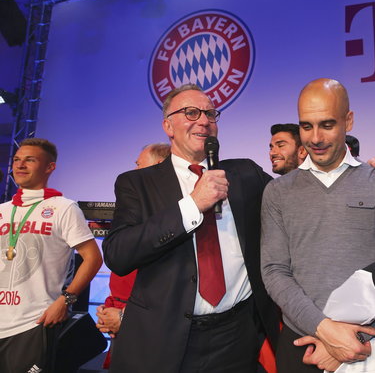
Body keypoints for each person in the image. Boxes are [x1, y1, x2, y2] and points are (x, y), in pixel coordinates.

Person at [102, 84, 279, 372]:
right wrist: (193, 205)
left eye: (210, 113)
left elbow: (292, 201)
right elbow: (118, 254)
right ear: (168, 126)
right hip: (161, 341)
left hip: (236, 338)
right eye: (191, 112)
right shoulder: (137, 183)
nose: (204, 120)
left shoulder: (245, 173)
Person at [261, 78, 375, 372]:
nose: (315, 137)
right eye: (306, 126)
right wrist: (324, 330)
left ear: (349, 120)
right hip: (302, 348)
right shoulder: (278, 192)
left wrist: (347, 339)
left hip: (369, 345)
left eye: (327, 124)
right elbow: (274, 271)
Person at [0, 138, 103, 373]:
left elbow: (93, 258)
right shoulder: (3, 210)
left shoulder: (63, 208)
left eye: (30, 160)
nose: (20, 165)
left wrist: (65, 300)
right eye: (17, 160)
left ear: (49, 167)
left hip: (33, 323)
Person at [96, 143, 170, 368]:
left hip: (153, 331)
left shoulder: (171, 218)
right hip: (122, 324)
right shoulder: (135, 212)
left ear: (159, 167)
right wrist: (109, 311)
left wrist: (125, 316)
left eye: (139, 165)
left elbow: (166, 285)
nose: (134, 172)